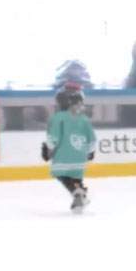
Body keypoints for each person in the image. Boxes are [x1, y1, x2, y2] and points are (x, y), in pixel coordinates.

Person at [43, 82, 97, 214]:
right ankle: (79, 190)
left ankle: (77, 192)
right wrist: (91, 151)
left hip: (63, 155)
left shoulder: (57, 118)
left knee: (59, 172)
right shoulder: (84, 119)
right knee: (75, 176)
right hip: (80, 157)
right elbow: (91, 138)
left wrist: (47, 149)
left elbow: (53, 138)